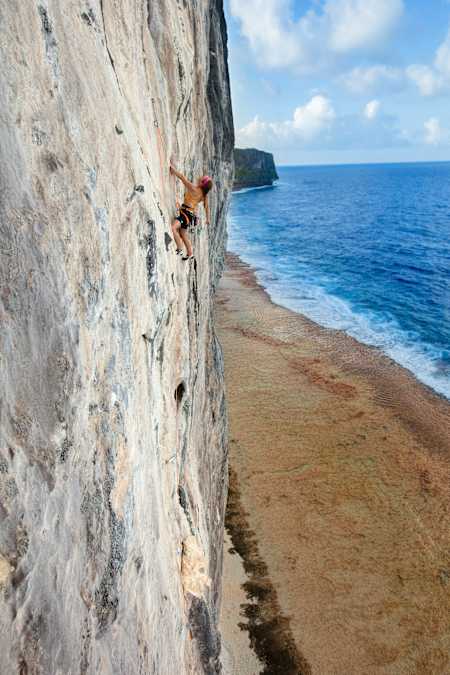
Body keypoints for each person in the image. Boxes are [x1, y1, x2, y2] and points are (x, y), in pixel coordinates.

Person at [170, 162, 212, 261]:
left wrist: (173, 170)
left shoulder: (194, 189)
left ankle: (179, 248)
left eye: (201, 178)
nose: (199, 178)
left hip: (185, 215)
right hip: (189, 216)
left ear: (202, 183)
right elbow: (207, 208)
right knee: (183, 234)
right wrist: (208, 219)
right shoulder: (203, 196)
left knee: (173, 227)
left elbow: (183, 178)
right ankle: (190, 253)